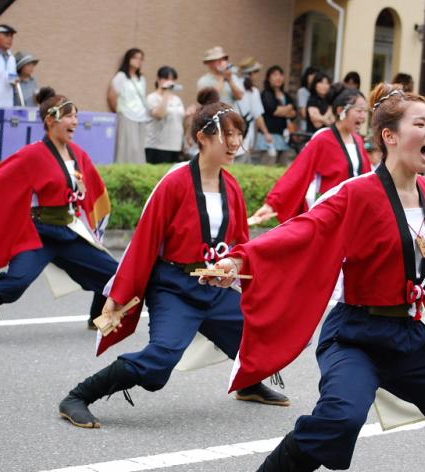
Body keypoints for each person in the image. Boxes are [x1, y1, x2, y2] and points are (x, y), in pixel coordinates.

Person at [219, 83, 425, 472]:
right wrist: (241, 257)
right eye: (421, 123)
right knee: (340, 416)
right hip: (356, 334)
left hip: (410, 335)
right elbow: (304, 229)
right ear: (390, 136)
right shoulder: (357, 193)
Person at [58, 102, 289, 429]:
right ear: (203, 138)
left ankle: (248, 385)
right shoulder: (175, 182)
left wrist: (234, 266)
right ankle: (78, 396)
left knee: (260, 333)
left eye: (239, 134)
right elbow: (144, 243)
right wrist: (117, 297)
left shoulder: (232, 187)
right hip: (174, 287)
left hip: (214, 287)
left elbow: (240, 244)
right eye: (228, 134)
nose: (235, 142)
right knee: (157, 365)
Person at [0, 88, 117, 343]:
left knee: (114, 275)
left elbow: (93, 187)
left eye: (76, 116)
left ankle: (96, 318)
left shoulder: (77, 154)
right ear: (51, 120)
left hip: (69, 231)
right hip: (38, 235)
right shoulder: (33, 154)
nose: (75, 122)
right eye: (69, 116)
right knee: (13, 286)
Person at [252, 87, 372, 224]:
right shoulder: (323, 139)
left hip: (354, 216)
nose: (363, 116)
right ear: (341, 111)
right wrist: (271, 204)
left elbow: (367, 179)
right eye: (359, 110)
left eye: (365, 111)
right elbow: (298, 173)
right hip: (329, 215)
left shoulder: (358, 141)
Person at [109, 48, 148, 163]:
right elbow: (112, 96)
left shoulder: (142, 79)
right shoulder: (121, 77)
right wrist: (120, 111)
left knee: (139, 147)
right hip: (127, 115)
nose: (138, 61)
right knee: (128, 146)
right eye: (135, 58)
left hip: (141, 116)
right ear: (128, 59)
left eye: (141, 59)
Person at [145, 65, 185, 164]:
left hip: (175, 145)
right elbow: (160, 114)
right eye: (166, 79)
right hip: (157, 146)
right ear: (158, 80)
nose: (170, 82)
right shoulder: (152, 98)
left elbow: (181, 120)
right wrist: (166, 92)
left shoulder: (177, 99)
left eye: (172, 79)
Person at [258, 65, 297, 165]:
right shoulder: (266, 94)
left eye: (280, 75)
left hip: (284, 138)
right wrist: (288, 108)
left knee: (282, 170)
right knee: (267, 168)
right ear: (268, 78)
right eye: (275, 75)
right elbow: (274, 111)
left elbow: (294, 114)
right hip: (269, 136)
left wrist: (282, 111)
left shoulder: (286, 95)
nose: (278, 77)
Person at [184, 87, 220, 158]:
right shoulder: (217, 115)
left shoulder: (194, 112)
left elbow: (189, 139)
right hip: (208, 152)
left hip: (193, 151)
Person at [296, 66, 317, 131]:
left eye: (315, 75)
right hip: (305, 128)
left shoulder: (316, 93)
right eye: (311, 74)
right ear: (306, 76)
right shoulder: (303, 91)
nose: (313, 77)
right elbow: (303, 113)